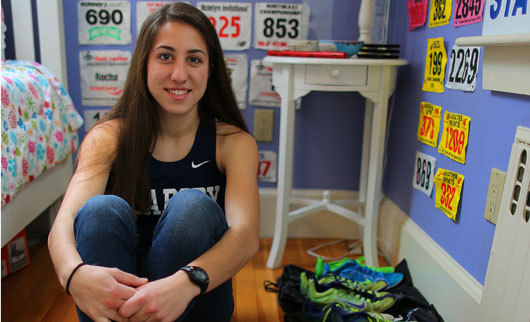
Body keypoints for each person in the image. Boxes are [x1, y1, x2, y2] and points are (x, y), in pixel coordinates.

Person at [48, 2, 260, 321]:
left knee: (193, 207)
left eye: (194, 59)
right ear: (143, 64)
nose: (179, 74)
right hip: (121, 299)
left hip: (194, 295)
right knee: (98, 210)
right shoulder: (108, 137)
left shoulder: (233, 143)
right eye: (165, 56)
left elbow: (245, 237)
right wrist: (73, 275)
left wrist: (185, 282)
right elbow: (63, 225)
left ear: (210, 69)